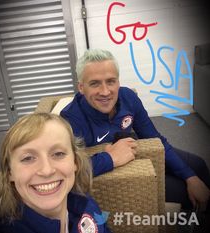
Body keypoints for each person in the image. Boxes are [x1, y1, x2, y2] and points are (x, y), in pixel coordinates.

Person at [60, 49, 210, 212]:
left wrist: (190, 176)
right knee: (184, 192)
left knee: (198, 166)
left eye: (111, 81)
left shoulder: (128, 97)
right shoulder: (70, 120)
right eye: (95, 83)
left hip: (136, 151)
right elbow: (66, 168)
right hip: (113, 173)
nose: (105, 92)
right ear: (81, 87)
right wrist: (110, 158)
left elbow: (154, 138)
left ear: (118, 82)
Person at [0, 113, 112, 233]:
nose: (46, 171)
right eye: (28, 158)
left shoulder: (86, 205)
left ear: (75, 162)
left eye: (58, 154)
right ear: (9, 173)